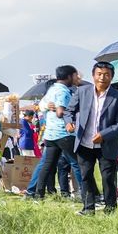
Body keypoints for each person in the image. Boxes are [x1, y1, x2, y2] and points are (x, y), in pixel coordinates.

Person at [66, 61, 118, 215]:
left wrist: (104, 134)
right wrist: (69, 123)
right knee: (86, 176)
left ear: (111, 77)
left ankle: (110, 209)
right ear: (93, 75)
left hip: (106, 144)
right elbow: (69, 111)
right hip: (84, 143)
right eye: (99, 74)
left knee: (108, 178)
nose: (102, 78)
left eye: (106, 75)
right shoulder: (82, 91)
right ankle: (88, 208)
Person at [30, 67, 82, 200]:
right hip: (64, 133)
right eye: (75, 75)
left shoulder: (52, 89)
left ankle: (37, 194)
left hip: (51, 134)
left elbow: (43, 106)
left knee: (47, 164)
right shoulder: (63, 91)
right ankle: (87, 193)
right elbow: (60, 112)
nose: (77, 78)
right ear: (69, 76)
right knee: (77, 164)